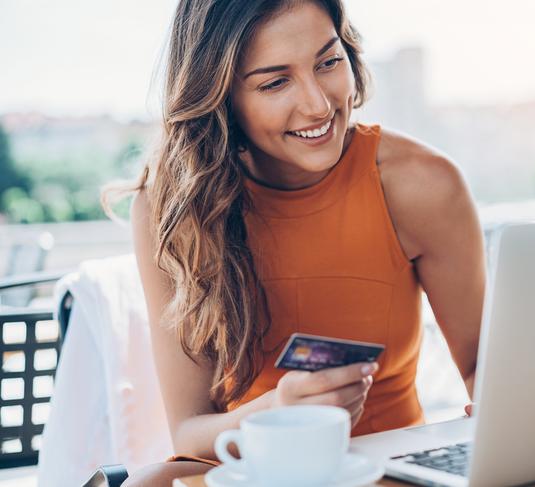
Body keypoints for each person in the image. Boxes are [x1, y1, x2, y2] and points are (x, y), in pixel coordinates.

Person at [118, 0, 485, 485]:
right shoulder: (171, 207)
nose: (317, 104)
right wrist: (277, 412)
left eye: (328, 62)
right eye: (275, 82)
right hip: (247, 469)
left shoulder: (422, 184)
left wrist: (499, 409)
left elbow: (485, 367)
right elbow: (189, 431)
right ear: (221, 97)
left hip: (384, 470)